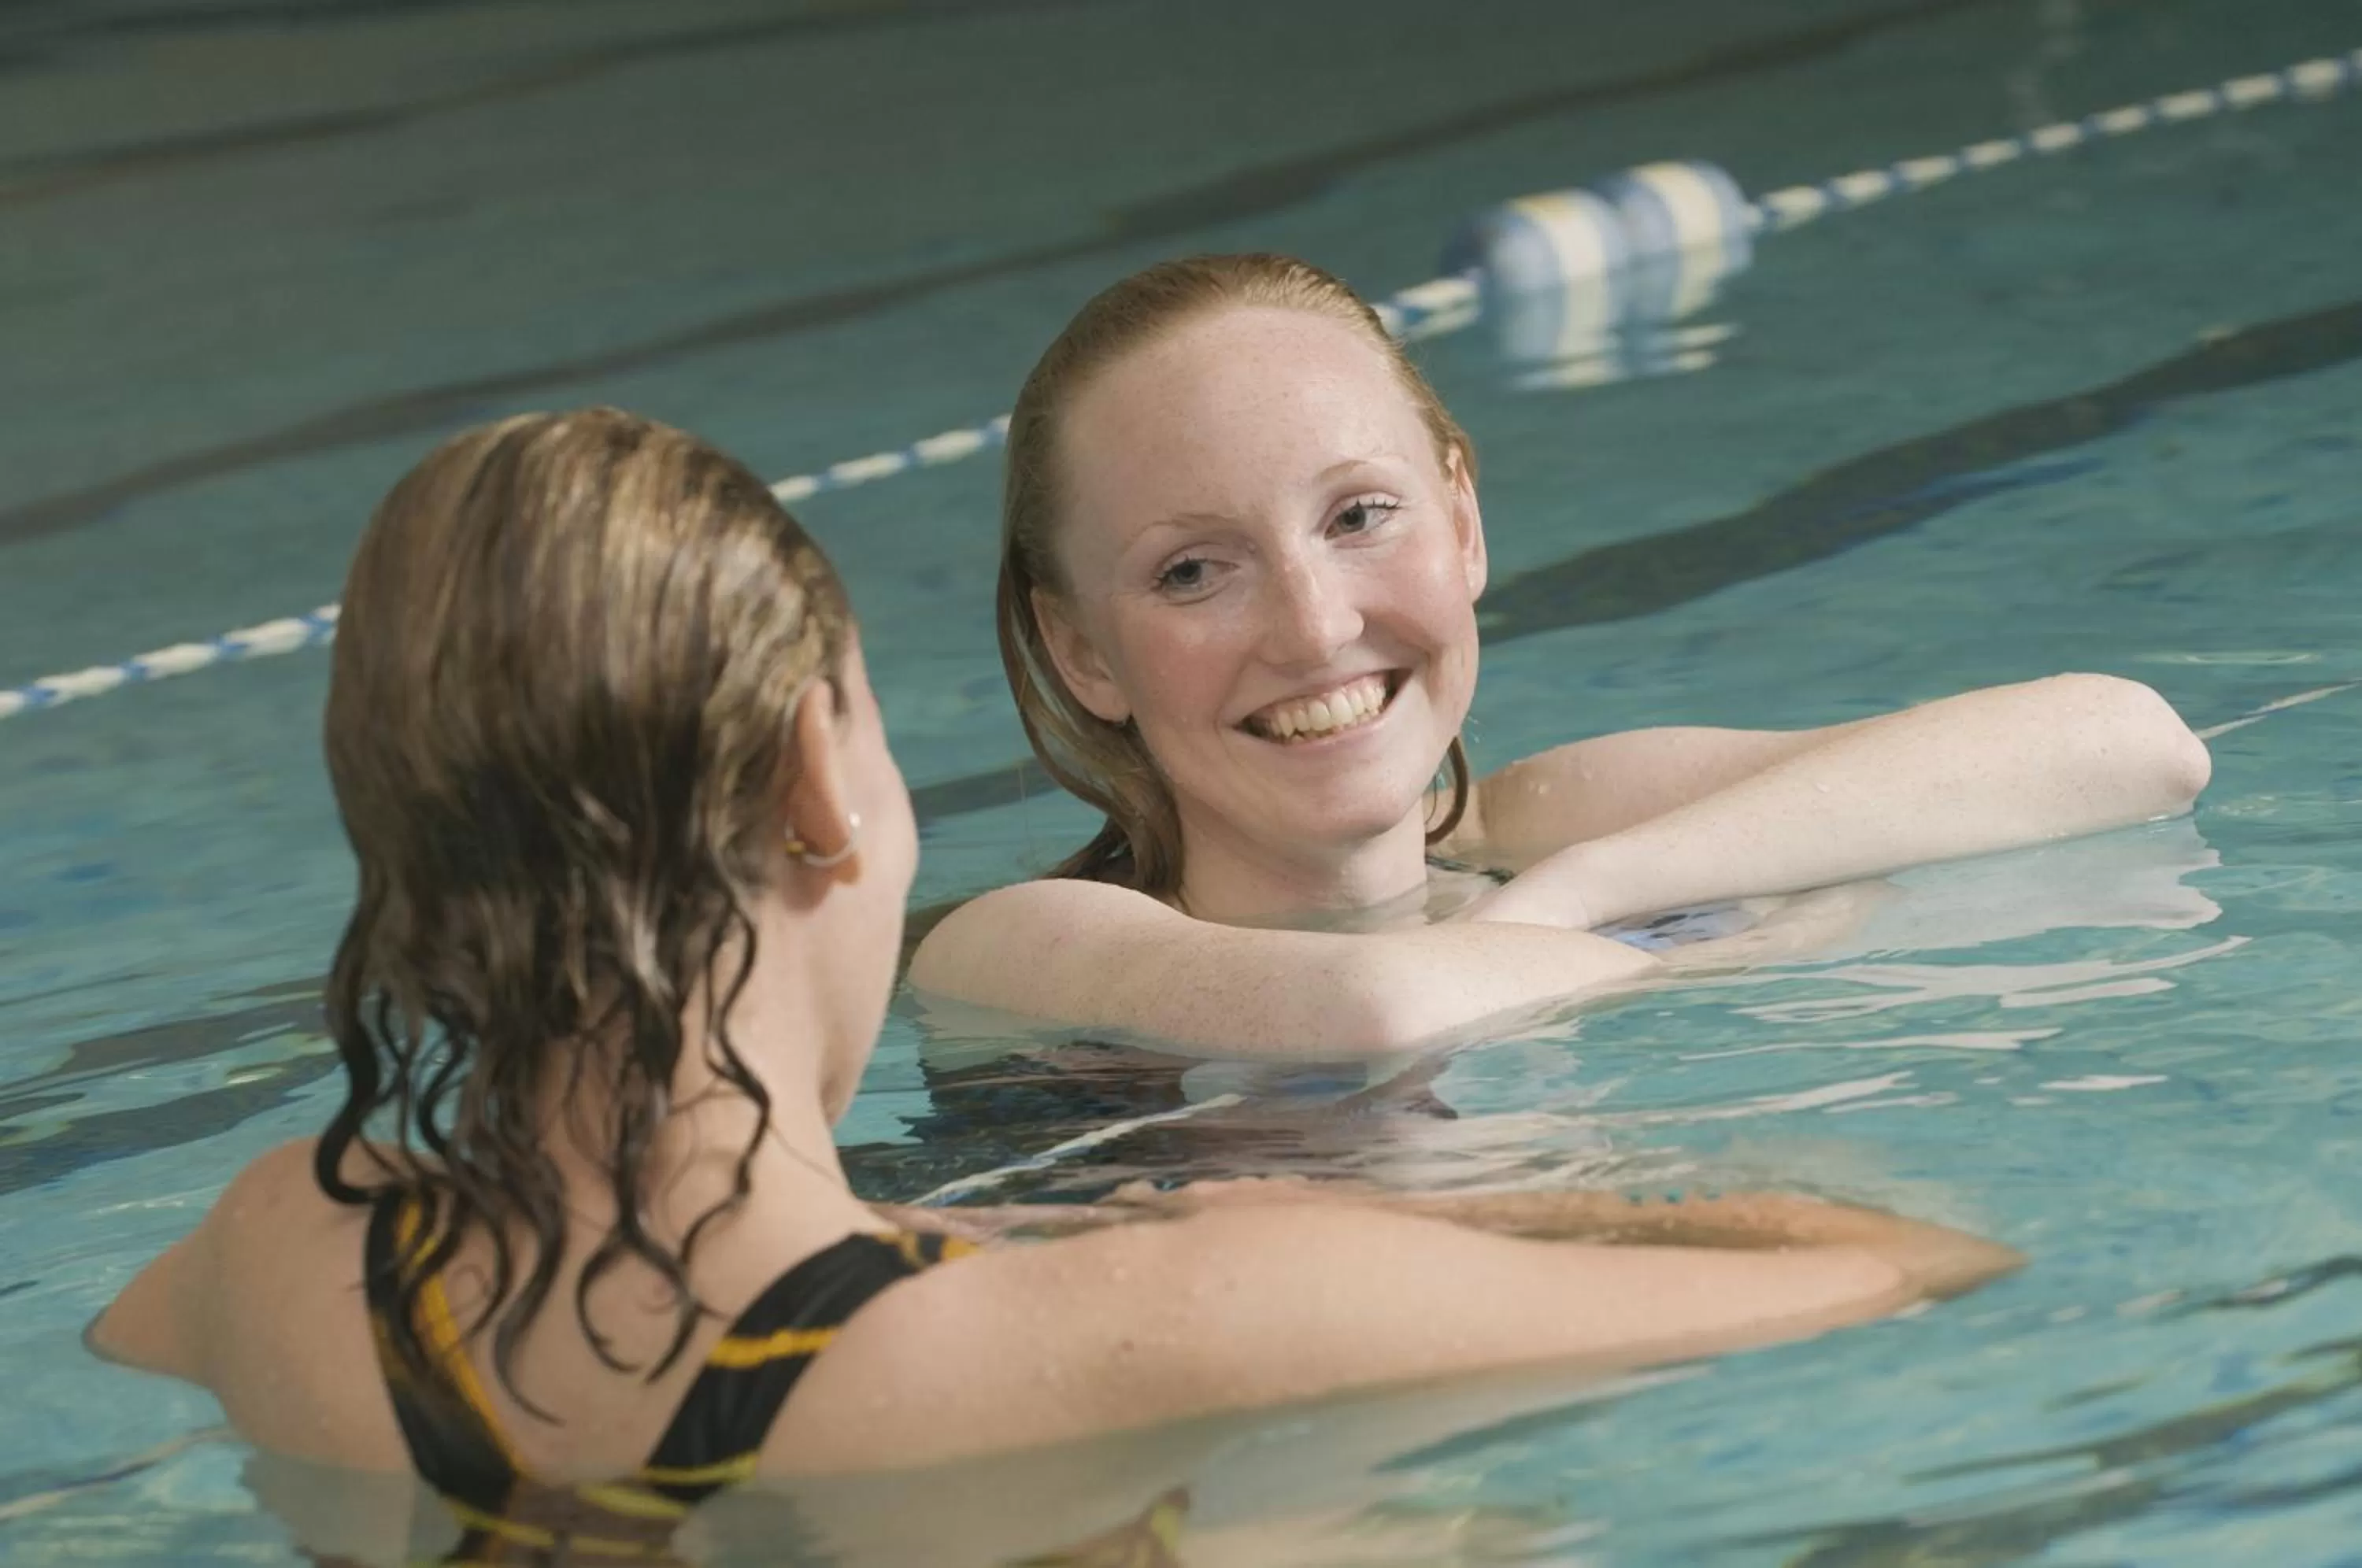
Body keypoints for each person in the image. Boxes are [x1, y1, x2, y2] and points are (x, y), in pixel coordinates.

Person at [89, 410, 2016, 1560]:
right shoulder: (1155, 1310)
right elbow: (1900, 1268)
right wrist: (1473, 1224)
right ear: (816, 789)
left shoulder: (281, 1264)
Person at [909, 253, 2214, 1055]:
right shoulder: (1027, 941)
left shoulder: (1534, 833)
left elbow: (2130, 746)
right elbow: (1376, 1011)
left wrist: (1585, 890)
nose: (1313, 628)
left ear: (1464, 520)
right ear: (1080, 651)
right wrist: (1747, 936)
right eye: (1194, 572)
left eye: (1360, 516)